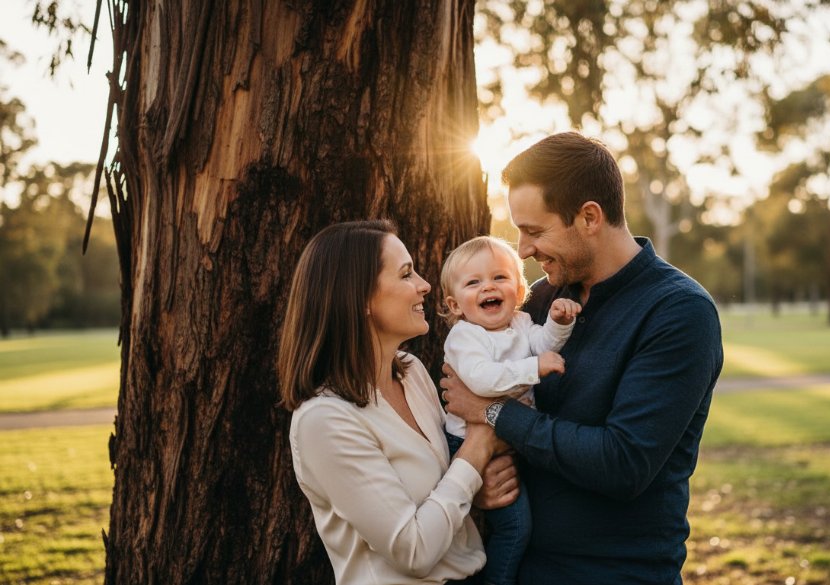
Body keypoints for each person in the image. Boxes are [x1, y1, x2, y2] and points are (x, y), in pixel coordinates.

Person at [442, 133, 724, 585]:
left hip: (612, 574)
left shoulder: (679, 312)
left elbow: (621, 463)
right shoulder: (541, 299)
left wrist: (494, 413)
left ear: (589, 217)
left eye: (535, 231)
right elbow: (472, 392)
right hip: (516, 565)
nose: (524, 249)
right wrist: (484, 483)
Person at [278, 220, 518, 585]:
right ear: (359, 299)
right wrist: (480, 443)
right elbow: (413, 550)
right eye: (406, 274)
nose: (424, 285)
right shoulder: (324, 420)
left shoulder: (411, 371)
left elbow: (449, 485)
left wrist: (477, 491)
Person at [439, 235, 581, 585]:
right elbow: (482, 380)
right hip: (471, 445)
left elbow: (542, 344)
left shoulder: (520, 323)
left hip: (513, 435)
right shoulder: (465, 337)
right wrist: (533, 369)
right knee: (517, 528)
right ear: (455, 305)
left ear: (519, 291)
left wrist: (559, 322)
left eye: (500, 278)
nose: (489, 286)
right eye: (474, 282)